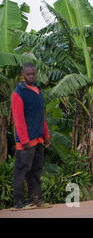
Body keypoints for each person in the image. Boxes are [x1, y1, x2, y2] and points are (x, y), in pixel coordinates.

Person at [11, 63, 52, 210]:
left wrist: (46, 136)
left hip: (38, 139)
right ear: (23, 75)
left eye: (33, 73)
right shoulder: (19, 92)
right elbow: (18, 118)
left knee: (36, 171)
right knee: (21, 171)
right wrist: (24, 140)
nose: (31, 76)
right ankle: (19, 203)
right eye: (28, 74)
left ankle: (36, 200)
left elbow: (41, 115)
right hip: (26, 142)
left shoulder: (38, 90)